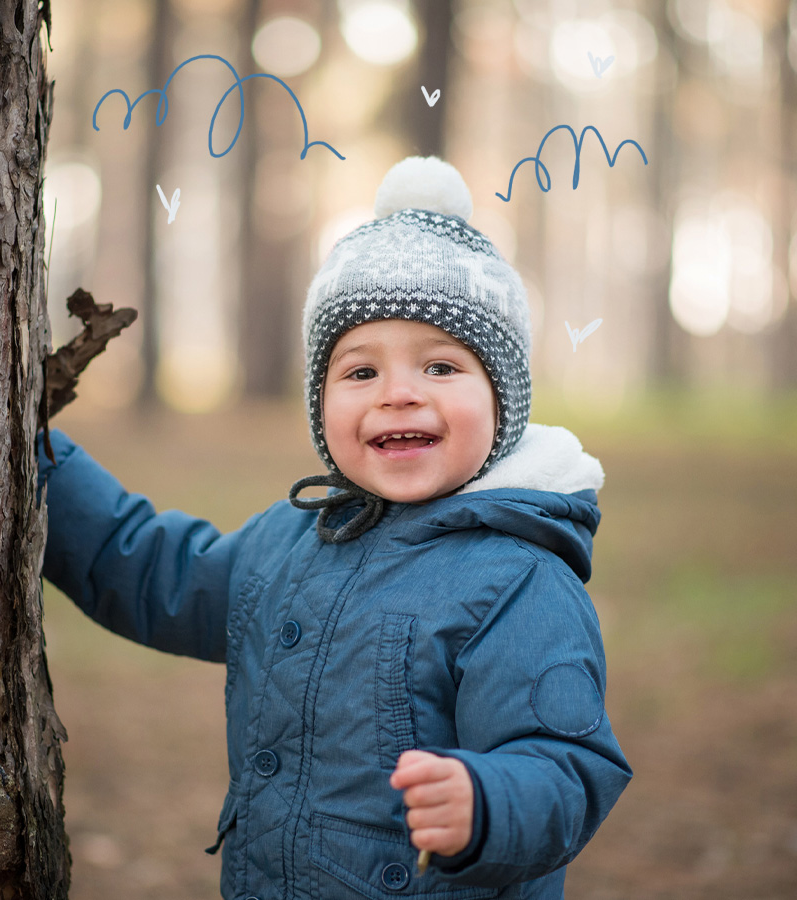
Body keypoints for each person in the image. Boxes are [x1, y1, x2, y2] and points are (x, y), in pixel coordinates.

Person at [35, 157, 631, 899]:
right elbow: (160, 577)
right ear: (322, 408)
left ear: (501, 401)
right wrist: (40, 462)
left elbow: (567, 764)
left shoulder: (519, 579)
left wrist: (486, 801)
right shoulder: (291, 541)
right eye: (360, 373)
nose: (400, 394)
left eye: (442, 367)